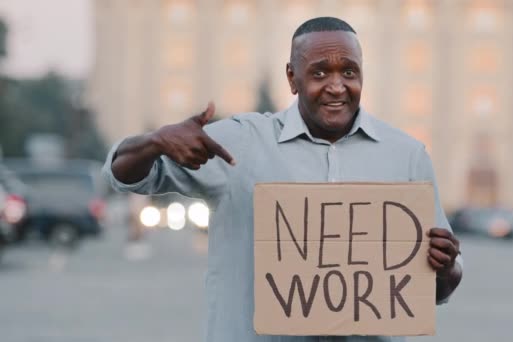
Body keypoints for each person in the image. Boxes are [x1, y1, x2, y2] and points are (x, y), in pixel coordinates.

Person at [103, 17, 462, 342]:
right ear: (292, 77)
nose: (337, 87)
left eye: (349, 73)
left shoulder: (406, 156)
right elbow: (123, 175)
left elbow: (436, 290)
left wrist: (444, 269)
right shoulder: (240, 144)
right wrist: (155, 141)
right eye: (320, 73)